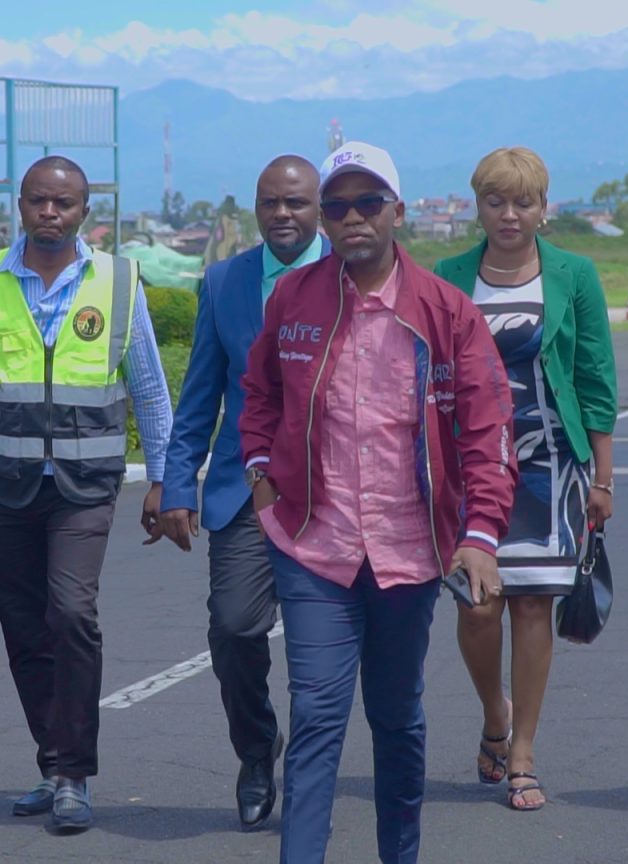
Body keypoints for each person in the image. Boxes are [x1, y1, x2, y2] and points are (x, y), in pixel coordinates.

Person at [240, 141, 517, 863]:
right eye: (337, 205)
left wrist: (481, 534)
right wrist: (261, 468)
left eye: (369, 203)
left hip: (411, 550)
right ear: (324, 219)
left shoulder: (447, 311)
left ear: (398, 210)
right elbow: (260, 392)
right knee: (319, 714)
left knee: (396, 719)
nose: (352, 217)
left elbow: (487, 429)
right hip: (313, 544)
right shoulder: (293, 298)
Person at [0, 155, 173, 834]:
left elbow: (150, 388)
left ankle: (74, 772)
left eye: (63, 204)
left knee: (71, 614)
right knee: (24, 629)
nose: (50, 213)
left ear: (84, 213)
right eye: (38, 201)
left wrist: (161, 478)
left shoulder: (118, 281)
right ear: (20, 205)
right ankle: (52, 767)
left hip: (84, 485)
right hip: (4, 485)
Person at [433, 146, 618, 811]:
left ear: (545, 207)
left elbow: (595, 376)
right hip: (471, 466)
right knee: (478, 607)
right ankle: (494, 713)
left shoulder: (573, 274)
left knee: (534, 603)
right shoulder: (449, 275)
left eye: (523, 202)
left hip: (549, 468)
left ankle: (523, 754)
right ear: (476, 206)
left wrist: (603, 476)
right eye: (495, 201)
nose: (509, 214)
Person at [157, 155, 328, 830]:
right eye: (270, 203)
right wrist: (178, 484)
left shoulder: (349, 274)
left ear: (318, 208)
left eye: (296, 203)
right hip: (246, 491)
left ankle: (310, 778)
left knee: (321, 648)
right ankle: (257, 751)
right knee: (232, 628)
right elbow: (200, 395)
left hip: (332, 497)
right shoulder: (225, 281)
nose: (282, 214)